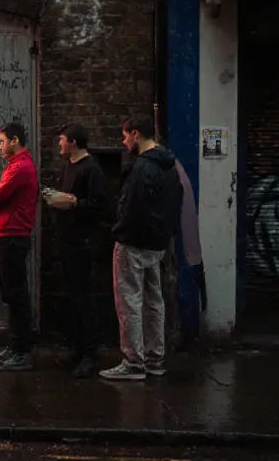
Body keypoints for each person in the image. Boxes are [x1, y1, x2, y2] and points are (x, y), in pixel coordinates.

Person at [100, 117, 182, 381]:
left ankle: (133, 362)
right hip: (157, 243)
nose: (124, 142)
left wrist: (118, 231)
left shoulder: (141, 168)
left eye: (125, 137)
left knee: (129, 301)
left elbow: (131, 207)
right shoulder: (170, 166)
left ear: (136, 134)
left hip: (133, 243)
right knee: (154, 301)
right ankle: (155, 358)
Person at [44, 123, 109, 378]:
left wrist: (73, 203)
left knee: (85, 299)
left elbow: (101, 207)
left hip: (83, 243)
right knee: (73, 298)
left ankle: (90, 355)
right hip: (67, 242)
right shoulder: (68, 167)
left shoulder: (92, 170)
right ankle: (79, 349)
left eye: (61, 140)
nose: (59, 144)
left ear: (73, 142)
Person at [0, 122, 39, 372]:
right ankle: (15, 346)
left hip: (13, 235)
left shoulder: (20, 168)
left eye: (2, 140)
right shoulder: (16, 166)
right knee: (12, 294)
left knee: (16, 294)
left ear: (15, 141)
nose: (0, 145)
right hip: (8, 234)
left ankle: (22, 351)